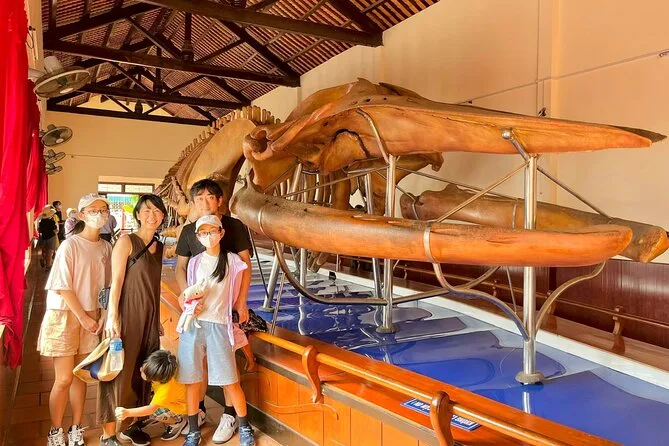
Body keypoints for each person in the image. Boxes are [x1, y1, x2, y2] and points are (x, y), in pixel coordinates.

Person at [174, 179, 253, 439]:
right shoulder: (189, 232)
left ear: (220, 200)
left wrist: (241, 301)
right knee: (195, 368)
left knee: (228, 364)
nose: (205, 202)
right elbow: (180, 267)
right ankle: (197, 415)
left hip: (224, 312)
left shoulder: (234, 227)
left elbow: (245, 265)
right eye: (199, 198)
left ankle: (231, 417)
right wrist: (187, 297)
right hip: (197, 313)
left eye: (210, 197)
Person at [38, 194, 112, 446]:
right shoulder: (70, 245)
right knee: (64, 379)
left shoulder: (106, 247)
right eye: (93, 210)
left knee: (80, 375)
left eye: (103, 210)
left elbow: (107, 286)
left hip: (92, 315)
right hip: (66, 314)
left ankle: (76, 426)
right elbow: (62, 286)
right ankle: (55, 430)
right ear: (81, 215)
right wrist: (82, 317)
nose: (99, 214)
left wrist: (102, 314)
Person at [99, 194, 166, 446]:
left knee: (143, 371)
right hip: (127, 315)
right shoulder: (126, 241)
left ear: (163, 216)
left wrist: (157, 318)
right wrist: (112, 318)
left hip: (149, 317)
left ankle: (132, 424)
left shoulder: (159, 247)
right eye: (146, 210)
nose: (152, 216)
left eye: (157, 211)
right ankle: (108, 433)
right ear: (137, 214)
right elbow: (116, 282)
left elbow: (153, 285)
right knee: (118, 371)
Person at [114, 350, 188, 441]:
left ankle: (177, 422)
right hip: (176, 398)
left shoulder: (165, 390)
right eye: (143, 366)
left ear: (155, 379)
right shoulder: (167, 368)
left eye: (143, 372)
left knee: (155, 414)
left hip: (180, 408)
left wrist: (127, 413)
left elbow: (150, 409)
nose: (140, 369)